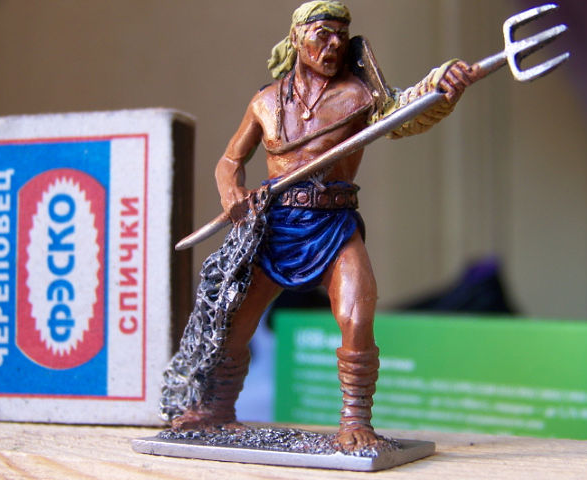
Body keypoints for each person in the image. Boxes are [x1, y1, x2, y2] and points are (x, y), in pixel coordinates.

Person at [171, 0, 478, 451]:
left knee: (357, 316)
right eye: (322, 34)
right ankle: (216, 410)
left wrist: (442, 85)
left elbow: (407, 112)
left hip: (333, 225)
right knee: (235, 322)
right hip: (274, 226)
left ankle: (355, 421)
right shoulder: (265, 102)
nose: (333, 44)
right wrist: (231, 192)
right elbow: (229, 161)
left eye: (340, 35)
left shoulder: (361, 97)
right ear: (297, 38)